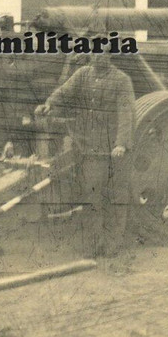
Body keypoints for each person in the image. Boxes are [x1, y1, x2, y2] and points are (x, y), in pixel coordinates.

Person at [35, 53, 136, 257]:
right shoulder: (83, 74)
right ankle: (93, 244)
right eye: (95, 53)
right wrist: (50, 103)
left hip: (114, 150)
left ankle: (113, 244)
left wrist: (121, 144)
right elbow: (64, 92)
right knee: (91, 196)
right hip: (91, 147)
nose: (98, 57)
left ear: (110, 54)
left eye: (103, 53)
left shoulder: (121, 80)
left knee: (115, 198)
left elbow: (127, 113)